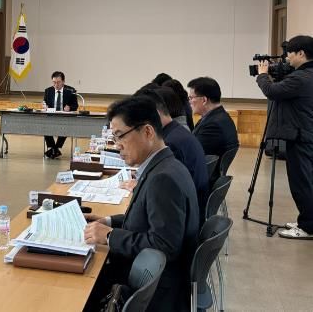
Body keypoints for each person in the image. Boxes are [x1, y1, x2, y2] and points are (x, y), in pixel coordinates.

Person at [83, 96, 199, 311]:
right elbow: (148, 218)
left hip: (153, 290)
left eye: (120, 136)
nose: (117, 145)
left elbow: (164, 246)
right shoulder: (165, 166)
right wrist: (107, 221)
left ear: (147, 132)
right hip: (149, 278)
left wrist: (109, 236)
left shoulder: (163, 179)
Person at [255, 35, 313, 240]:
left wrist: (262, 75)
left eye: (290, 54)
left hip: (300, 136)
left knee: (302, 183)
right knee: (307, 180)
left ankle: (308, 227)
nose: (287, 58)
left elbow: (272, 91)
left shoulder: (300, 78)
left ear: (301, 53)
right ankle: (307, 220)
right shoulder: (307, 75)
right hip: (307, 134)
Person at [142, 88, 209, 225]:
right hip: (192, 210)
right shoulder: (176, 131)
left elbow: (166, 192)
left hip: (184, 218)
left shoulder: (171, 143)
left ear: (155, 114)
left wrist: (140, 186)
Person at [187, 76, 239, 178]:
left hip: (200, 179)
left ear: (204, 100)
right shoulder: (220, 117)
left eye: (191, 98)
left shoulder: (213, 126)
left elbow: (191, 155)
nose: (189, 101)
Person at [42, 71, 78, 159]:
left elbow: (75, 106)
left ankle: (54, 149)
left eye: (58, 82)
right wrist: (45, 106)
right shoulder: (48, 91)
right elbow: (45, 102)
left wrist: (69, 107)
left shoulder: (71, 91)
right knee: (44, 126)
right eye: (54, 82)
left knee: (65, 127)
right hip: (51, 117)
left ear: (63, 82)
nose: (56, 85)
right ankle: (54, 149)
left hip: (64, 117)